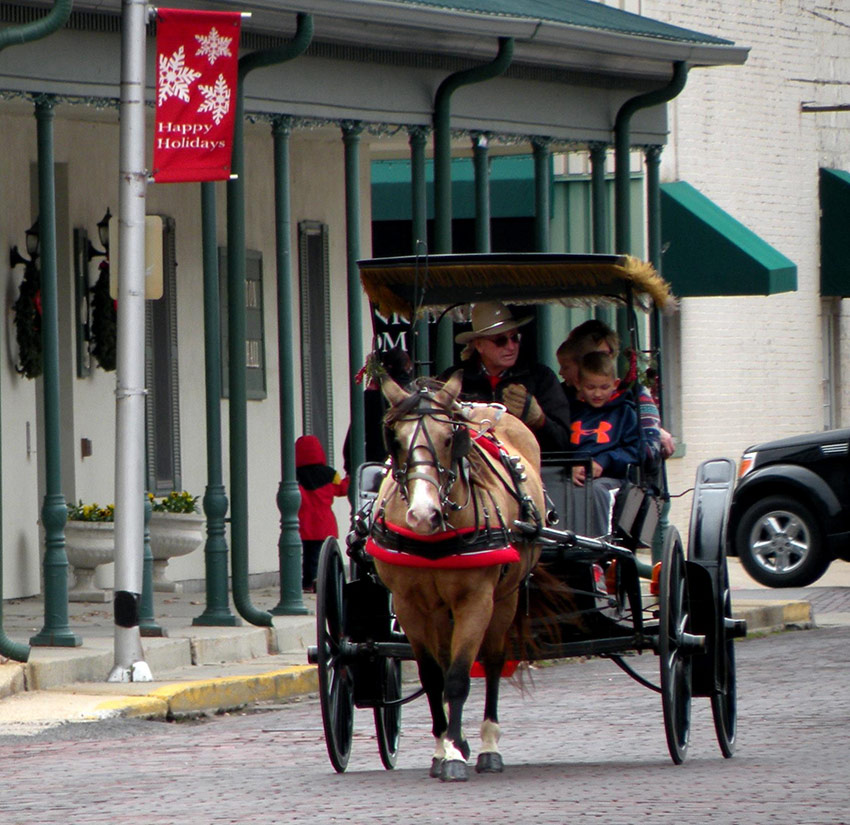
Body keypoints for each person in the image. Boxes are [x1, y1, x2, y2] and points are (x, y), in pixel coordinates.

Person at [442, 301, 572, 454]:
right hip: (472, 465)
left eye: (514, 337)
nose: (511, 346)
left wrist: (540, 421)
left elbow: (564, 444)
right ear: (479, 345)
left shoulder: (541, 377)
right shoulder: (454, 380)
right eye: (500, 341)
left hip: (531, 465)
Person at [557, 319, 676, 467]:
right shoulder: (559, 397)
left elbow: (649, 448)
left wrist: (653, 432)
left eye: (605, 355)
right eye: (591, 358)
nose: (599, 363)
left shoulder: (632, 395)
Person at [568, 351, 640, 536]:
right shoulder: (571, 412)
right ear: (578, 384)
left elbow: (634, 451)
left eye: (604, 387)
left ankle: (600, 543)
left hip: (613, 478)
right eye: (591, 387)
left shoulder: (625, 412)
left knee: (597, 490)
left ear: (615, 384)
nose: (598, 393)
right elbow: (561, 447)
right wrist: (570, 467)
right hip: (575, 475)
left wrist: (603, 462)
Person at [342, 346, 414, 476]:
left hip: (376, 465)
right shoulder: (414, 395)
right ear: (407, 367)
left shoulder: (370, 396)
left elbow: (353, 438)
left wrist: (350, 468)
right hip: (409, 464)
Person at [295, 435, 350, 592]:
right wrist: (349, 478)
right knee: (323, 555)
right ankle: (322, 582)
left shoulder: (294, 475)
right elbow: (342, 490)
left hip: (304, 521)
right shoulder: (330, 474)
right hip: (324, 521)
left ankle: (307, 583)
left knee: (308, 555)